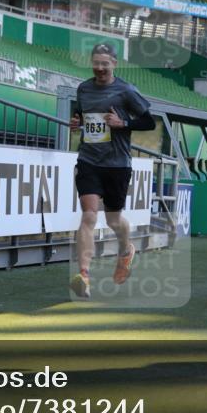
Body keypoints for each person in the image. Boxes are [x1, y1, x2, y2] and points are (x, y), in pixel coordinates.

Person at [68, 43, 155, 299]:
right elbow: (81, 114)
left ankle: (126, 249)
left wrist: (122, 123)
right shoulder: (83, 88)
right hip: (89, 160)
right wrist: (77, 122)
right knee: (89, 216)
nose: (100, 68)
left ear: (114, 64)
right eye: (96, 62)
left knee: (114, 220)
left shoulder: (126, 90)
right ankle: (84, 275)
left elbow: (149, 121)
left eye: (105, 63)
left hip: (117, 164)